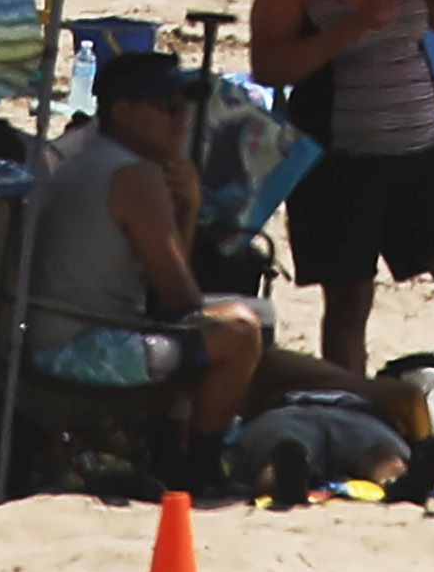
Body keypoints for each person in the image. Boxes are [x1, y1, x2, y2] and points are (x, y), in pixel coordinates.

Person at [23, 50, 405, 464]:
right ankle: (198, 464)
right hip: (81, 351)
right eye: (167, 106)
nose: (182, 118)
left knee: (230, 323)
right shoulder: (135, 176)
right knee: (239, 332)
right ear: (124, 112)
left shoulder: (93, 161)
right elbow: (178, 300)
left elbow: (167, 295)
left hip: (58, 336)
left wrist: (187, 208)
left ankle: (170, 443)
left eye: (186, 104)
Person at [246, 0, 434, 377]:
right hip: (340, 165)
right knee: (349, 299)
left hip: (422, 157)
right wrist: (346, 32)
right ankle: (350, 406)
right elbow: (268, 66)